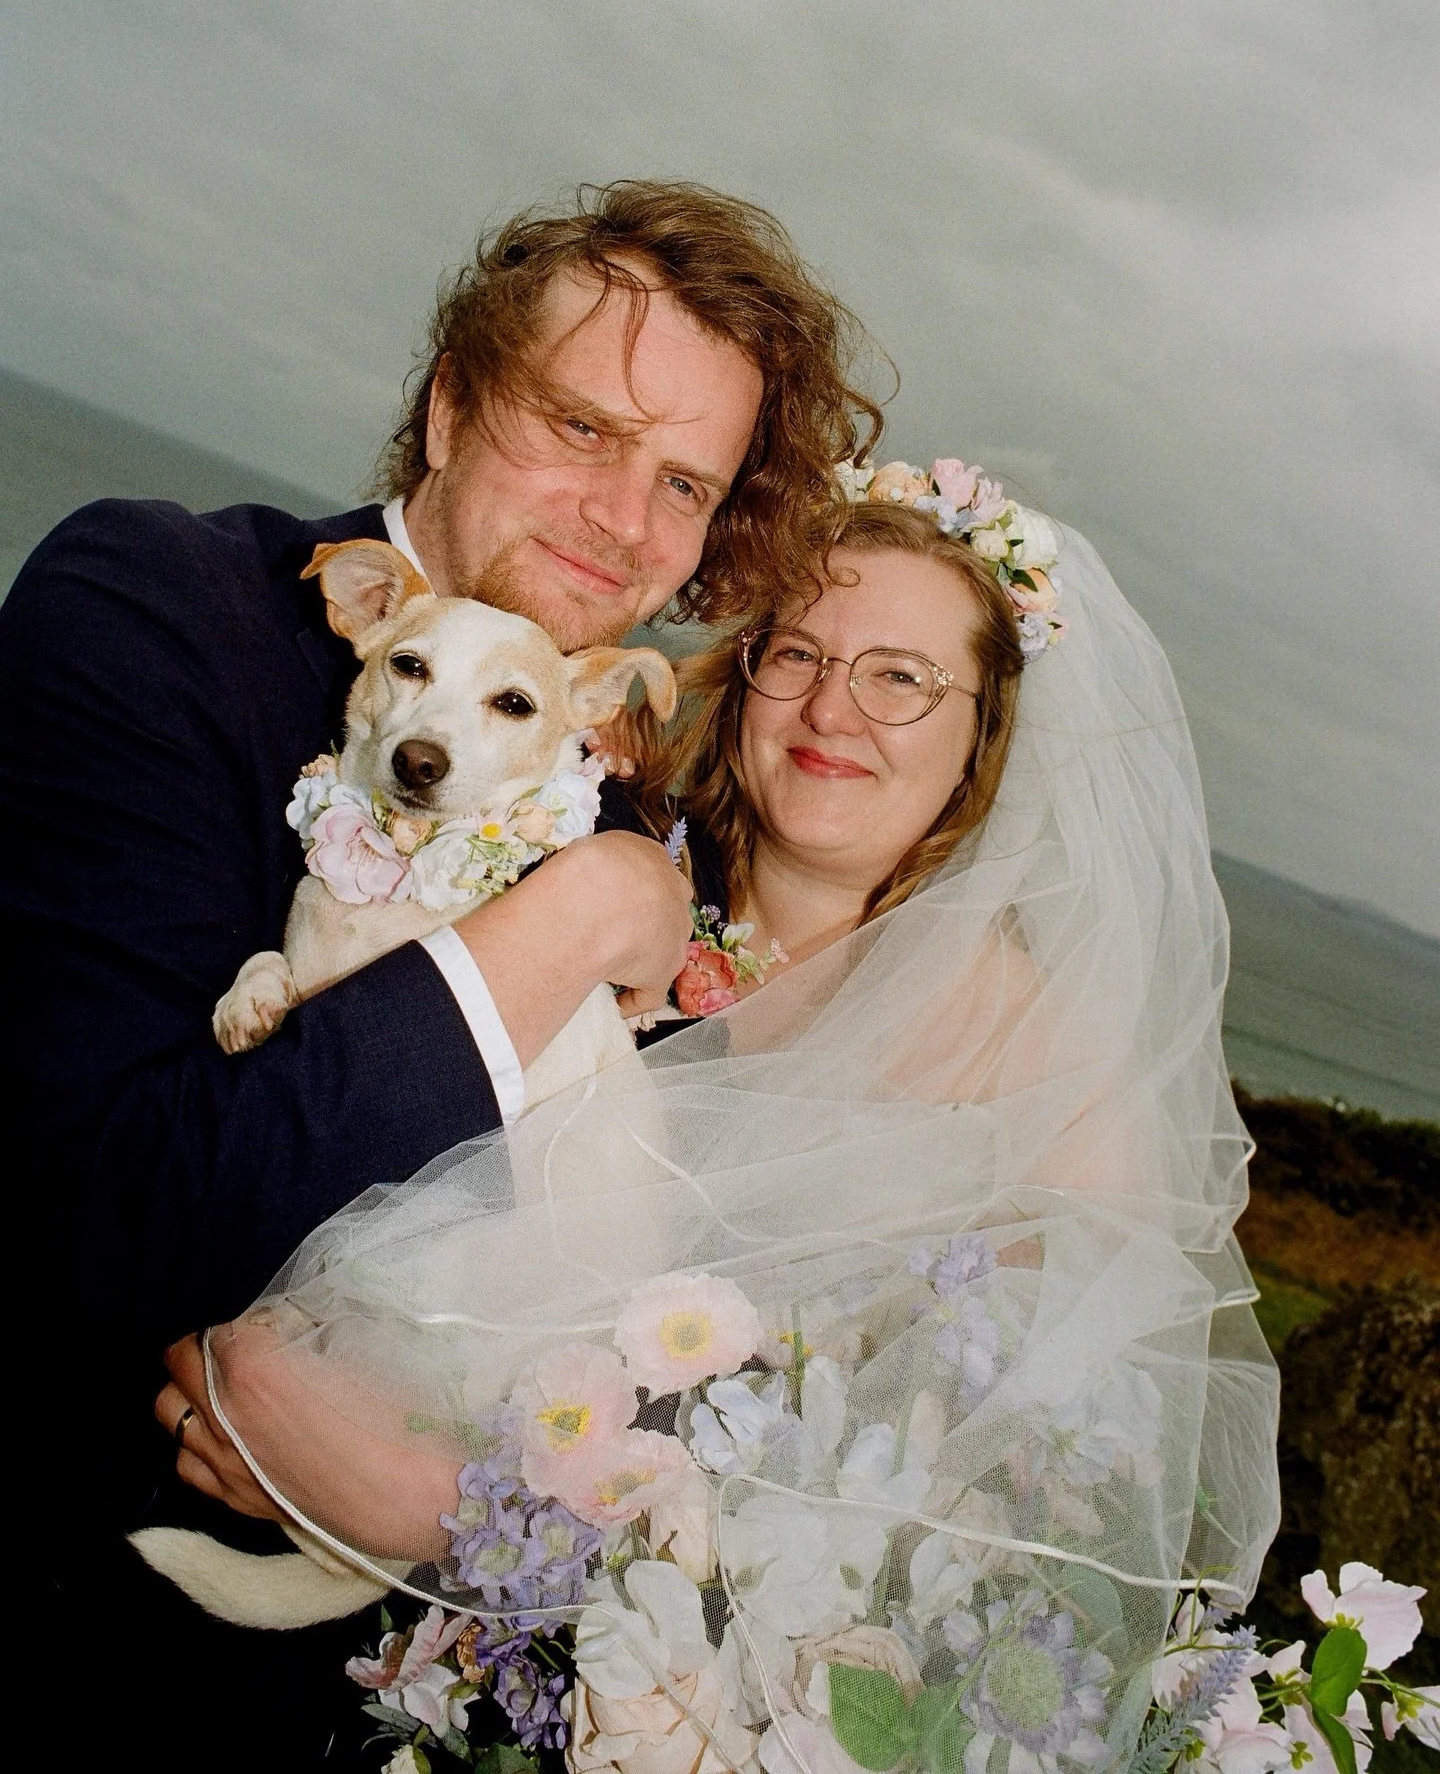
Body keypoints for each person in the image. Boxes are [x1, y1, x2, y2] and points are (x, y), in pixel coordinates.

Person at [166, 466, 1281, 1771]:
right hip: (299, 1629)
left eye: (902, 678)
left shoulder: (1050, 1064)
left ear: (984, 739)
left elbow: (1023, 1539)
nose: (831, 707)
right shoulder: (555, 845)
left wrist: (450, 1515)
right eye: (799, 651)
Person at [3, 179, 879, 1758]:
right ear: (453, 401)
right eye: (584, 429)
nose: (627, 523)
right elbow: (93, 1220)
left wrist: (466, 1512)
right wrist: (571, 915)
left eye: (684, 484)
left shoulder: (637, 796)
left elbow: (638, 1273)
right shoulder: (155, 608)